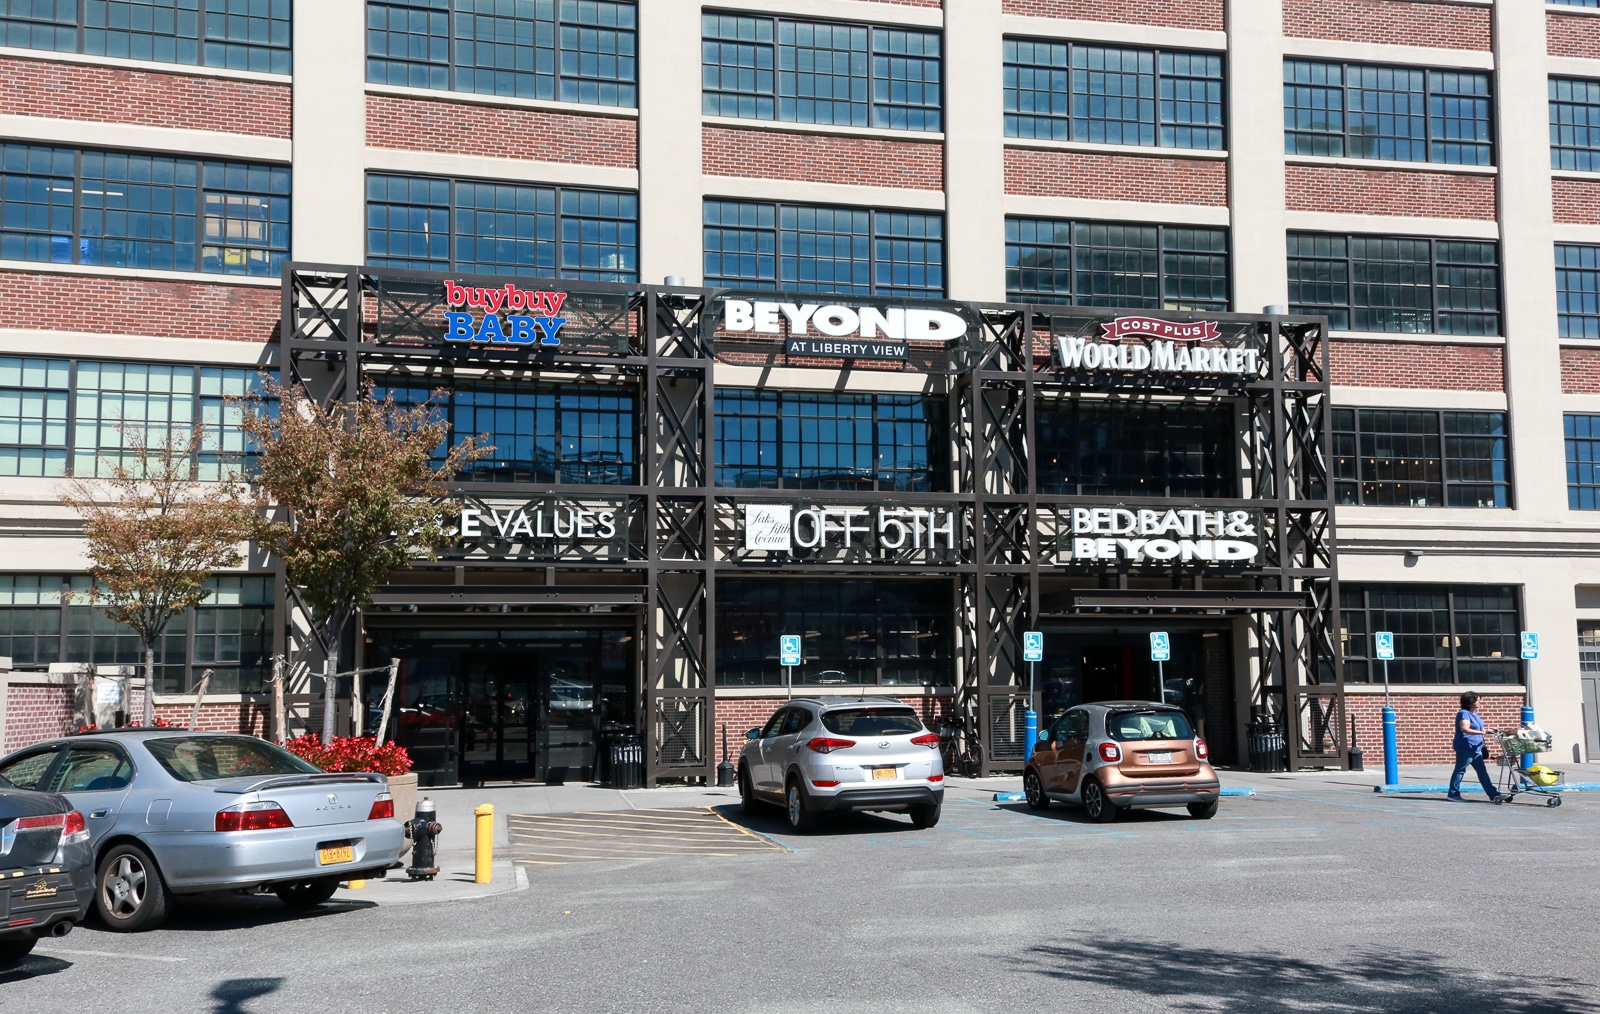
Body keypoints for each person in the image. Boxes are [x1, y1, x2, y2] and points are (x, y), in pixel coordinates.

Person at [1447, 691, 1501, 802]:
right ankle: (1453, 794)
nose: (1480, 702)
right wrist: (1483, 733)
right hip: (1466, 747)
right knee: (1460, 770)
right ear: (1471, 702)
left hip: (1477, 748)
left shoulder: (1474, 714)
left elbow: (1478, 728)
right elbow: (1465, 728)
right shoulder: (1464, 713)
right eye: (1478, 700)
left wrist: (1489, 730)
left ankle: (1493, 794)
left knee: (1482, 772)